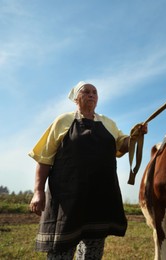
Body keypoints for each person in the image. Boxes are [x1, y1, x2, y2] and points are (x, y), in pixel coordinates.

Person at [29, 81, 147, 259]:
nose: (92, 94)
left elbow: (122, 145)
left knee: (93, 249)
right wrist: (38, 191)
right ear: (77, 98)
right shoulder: (63, 121)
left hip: (99, 196)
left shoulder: (108, 123)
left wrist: (135, 136)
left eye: (95, 92)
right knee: (61, 250)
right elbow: (44, 158)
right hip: (66, 198)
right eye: (86, 92)